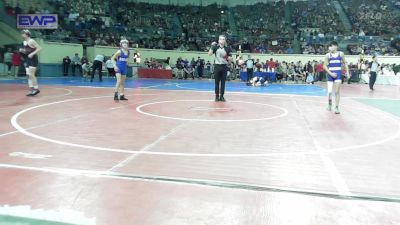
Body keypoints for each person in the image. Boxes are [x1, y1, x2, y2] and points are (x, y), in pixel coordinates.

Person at [323, 41, 350, 114]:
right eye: (329, 46)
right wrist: (330, 73)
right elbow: (324, 66)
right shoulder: (327, 55)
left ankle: (337, 107)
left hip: (338, 74)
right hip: (330, 74)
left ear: (335, 46)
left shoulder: (341, 54)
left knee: (337, 91)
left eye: (330, 46)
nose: (329, 48)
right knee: (329, 92)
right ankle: (329, 103)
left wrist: (347, 72)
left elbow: (345, 63)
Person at [208, 34, 232, 102]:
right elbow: (209, 54)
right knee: (216, 82)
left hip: (224, 66)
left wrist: (226, 56)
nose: (222, 40)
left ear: (225, 41)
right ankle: (216, 96)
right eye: (220, 39)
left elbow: (231, 59)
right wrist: (212, 46)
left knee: (223, 83)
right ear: (218, 40)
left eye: (223, 39)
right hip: (217, 66)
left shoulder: (228, 48)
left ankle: (222, 96)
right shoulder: (215, 47)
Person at [19, 30, 41, 96]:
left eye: (23, 33)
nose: (22, 34)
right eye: (22, 33)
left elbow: (39, 48)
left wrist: (32, 54)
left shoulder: (31, 41)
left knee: (31, 74)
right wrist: (23, 51)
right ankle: (31, 89)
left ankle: (36, 89)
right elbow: (27, 51)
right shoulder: (24, 42)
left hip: (33, 59)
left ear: (27, 34)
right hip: (27, 59)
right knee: (28, 75)